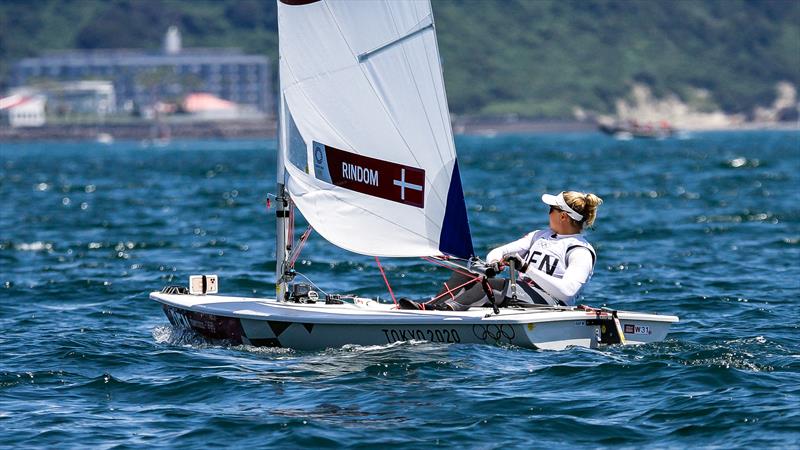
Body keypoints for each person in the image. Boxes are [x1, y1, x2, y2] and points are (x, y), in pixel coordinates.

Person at [399, 191, 603, 311]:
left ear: (564, 217)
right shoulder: (538, 235)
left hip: (551, 303)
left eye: (551, 209)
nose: (548, 213)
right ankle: (431, 308)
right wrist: (495, 262)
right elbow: (498, 252)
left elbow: (567, 293)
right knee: (470, 269)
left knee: (496, 286)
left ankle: (445, 312)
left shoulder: (580, 251)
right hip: (521, 292)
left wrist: (525, 267)